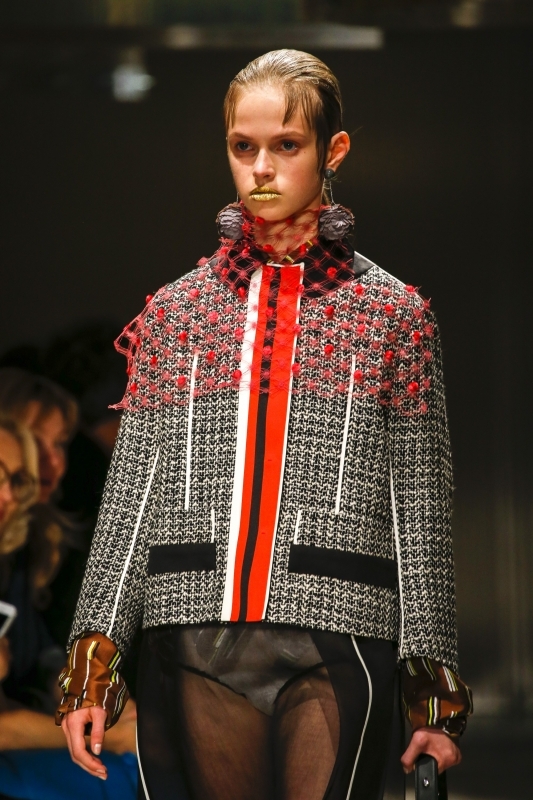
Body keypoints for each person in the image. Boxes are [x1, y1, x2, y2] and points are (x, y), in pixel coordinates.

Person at [57, 50, 472, 800]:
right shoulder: (176, 312)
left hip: (336, 623)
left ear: (333, 150)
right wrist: (94, 661)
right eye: (242, 146)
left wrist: (432, 691)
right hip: (196, 624)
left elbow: (420, 507)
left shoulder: (392, 316)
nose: (261, 169)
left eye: (286, 144)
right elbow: (132, 493)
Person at [0, 415, 138, 800]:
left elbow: (41, 659)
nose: (9, 495)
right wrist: (105, 739)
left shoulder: (15, 562)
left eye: (17, 481)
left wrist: (87, 696)